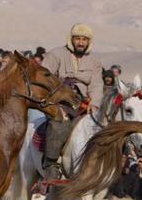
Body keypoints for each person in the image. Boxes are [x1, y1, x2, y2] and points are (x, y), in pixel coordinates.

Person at [40, 23, 104, 179]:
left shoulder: (95, 61)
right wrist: (53, 103)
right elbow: (43, 78)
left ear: (89, 42)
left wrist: (94, 104)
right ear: (71, 39)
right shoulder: (56, 54)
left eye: (84, 39)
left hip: (84, 102)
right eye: (77, 39)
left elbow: (96, 84)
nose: (80, 42)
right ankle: (51, 164)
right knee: (59, 122)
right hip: (59, 100)